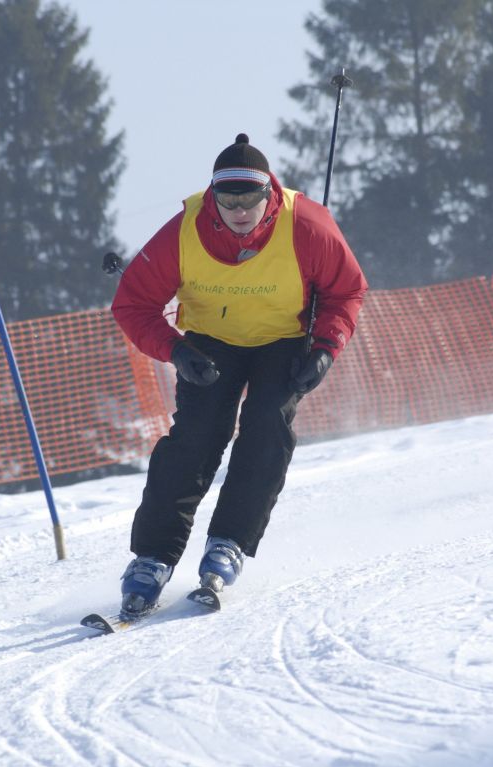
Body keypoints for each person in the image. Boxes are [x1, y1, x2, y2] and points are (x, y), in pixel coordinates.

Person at [112, 133, 367, 619]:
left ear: (269, 194)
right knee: (195, 439)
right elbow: (133, 304)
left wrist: (325, 349)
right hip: (210, 343)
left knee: (267, 428)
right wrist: (176, 350)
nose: (240, 211)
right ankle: (151, 559)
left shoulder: (308, 224)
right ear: (213, 199)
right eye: (228, 201)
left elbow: (346, 291)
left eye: (251, 199)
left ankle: (227, 544)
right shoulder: (182, 232)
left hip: (284, 341)